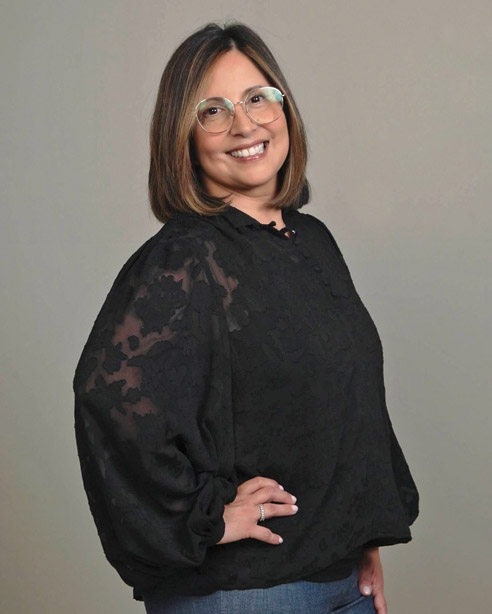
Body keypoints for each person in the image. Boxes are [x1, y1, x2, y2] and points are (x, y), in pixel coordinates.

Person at [73, 21, 419, 614]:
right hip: (248, 594)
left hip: (341, 579)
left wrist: (362, 534)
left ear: (284, 107)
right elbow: (109, 399)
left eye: (258, 97)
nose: (244, 124)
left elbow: (342, 405)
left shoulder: (312, 240)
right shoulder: (184, 257)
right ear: (183, 137)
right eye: (213, 110)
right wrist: (206, 516)